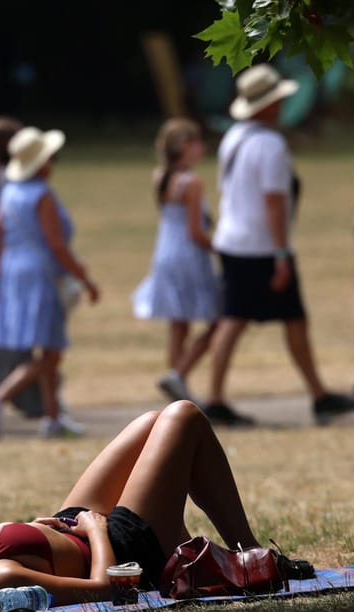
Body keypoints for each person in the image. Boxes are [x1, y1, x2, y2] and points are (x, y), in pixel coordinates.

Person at [0, 400, 282, 612]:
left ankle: (212, 551)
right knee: (183, 416)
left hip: (72, 524)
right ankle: (251, 554)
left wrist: (34, 529)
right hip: (122, 548)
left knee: (151, 421)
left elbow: (5, 539)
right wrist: (97, 530)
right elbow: (108, 591)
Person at [203, 64, 354, 426]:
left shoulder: (233, 137)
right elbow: (274, 202)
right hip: (260, 245)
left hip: (232, 239)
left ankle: (221, 396)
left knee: (239, 319)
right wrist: (281, 253)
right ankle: (317, 396)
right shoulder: (271, 145)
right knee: (283, 319)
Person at [0, 127, 99, 439]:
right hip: (40, 273)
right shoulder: (42, 195)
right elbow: (56, 244)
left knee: (46, 346)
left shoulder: (8, 192)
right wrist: (84, 278)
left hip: (13, 272)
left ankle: (52, 416)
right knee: (52, 351)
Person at [131, 118, 220, 403]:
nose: (202, 148)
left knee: (178, 325)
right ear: (184, 146)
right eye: (197, 143)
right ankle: (178, 374)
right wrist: (219, 248)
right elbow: (195, 231)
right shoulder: (191, 182)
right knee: (218, 320)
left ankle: (177, 390)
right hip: (187, 255)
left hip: (164, 251)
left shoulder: (161, 176)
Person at [0, 116, 54, 420]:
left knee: (24, 338)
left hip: (6, 267)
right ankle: (11, 397)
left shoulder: (4, 183)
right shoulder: (22, 186)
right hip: (24, 268)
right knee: (36, 341)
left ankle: (42, 406)